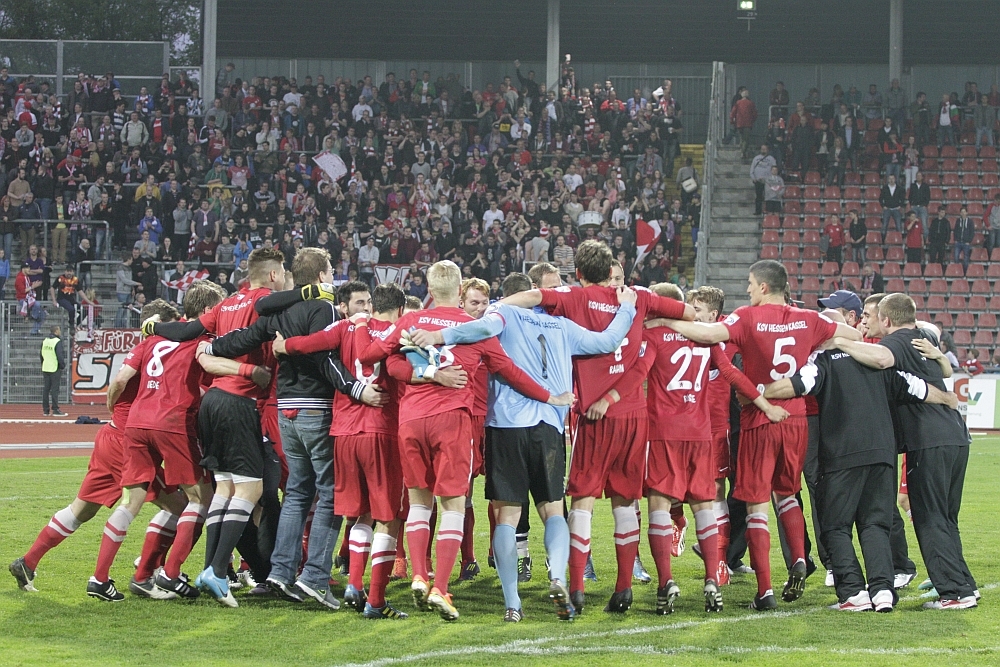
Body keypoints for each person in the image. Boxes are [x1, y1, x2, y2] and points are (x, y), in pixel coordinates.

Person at [407, 272, 636, 622]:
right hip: (549, 426)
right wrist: (627, 309)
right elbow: (607, 341)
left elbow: (478, 330)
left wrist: (438, 335)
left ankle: (513, 603)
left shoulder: (502, 314)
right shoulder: (563, 325)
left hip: (506, 426)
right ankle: (557, 577)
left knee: (507, 517)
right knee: (553, 510)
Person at [354, 260, 572, 621]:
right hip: (452, 422)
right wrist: (551, 396)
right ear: (459, 291)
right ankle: (440, 587)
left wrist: (364, 325)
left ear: (429, 289)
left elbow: (375, 359)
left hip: (411, 421)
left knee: (419, 503)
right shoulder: (474, 328)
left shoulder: (411, 321)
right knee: (454, 505)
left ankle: (420, 575)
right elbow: (511, 372)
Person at [648, 260, 861, 610]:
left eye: (749, 283)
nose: (747, 289)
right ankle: (798, 557)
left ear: (763, 286)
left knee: (756, 504)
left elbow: (709, 335)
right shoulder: (809, 319)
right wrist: (824, 343)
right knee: (787, 493)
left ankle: (764, 591)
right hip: (797, 418)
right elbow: (853, 335)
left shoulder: (747, 317)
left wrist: (665, 321)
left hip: (758, 418)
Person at [498, 241, 695, 615]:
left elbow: (532, 296)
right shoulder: (639, 297)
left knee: (582, 502)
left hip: (593, 415)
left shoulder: (573, 297)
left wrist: (498, 307)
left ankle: (576, 587)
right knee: (626, 502)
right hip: (634, 415)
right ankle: (623, 587)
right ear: (609, 272)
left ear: (579, 273)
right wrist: (656, 322)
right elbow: (688, 311)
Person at [199, 266, 381, 603]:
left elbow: (246, 336)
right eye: (330, 271)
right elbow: (324, 358)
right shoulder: (324, 309)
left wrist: (211, 347)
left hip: (285, 409)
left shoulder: (278, 310)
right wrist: (356, 389)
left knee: (297, 492)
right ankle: (315, 577)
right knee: (329, 494)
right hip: (316, 406)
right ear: (322, 275)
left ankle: (281, 572)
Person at [763, 309, 958, 612]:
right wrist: (946, 398)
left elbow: (799, 384)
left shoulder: (823, 359)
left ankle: (853, 592)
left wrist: (758, 393)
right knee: (875, 525)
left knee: (835, 526)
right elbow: (915, 387)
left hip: (842, 455)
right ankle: (882, 591)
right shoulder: (875, 359)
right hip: (882, 454)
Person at [9, 300, 193, 600]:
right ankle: (134, 573)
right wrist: (112, 401)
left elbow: (121, 381)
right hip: (128, 444)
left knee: (81, 509)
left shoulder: (143, 348)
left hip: (110, 436)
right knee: (177, 506)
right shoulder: (154, 348)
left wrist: (113, 404)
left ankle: (27, 562)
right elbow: (120, 380)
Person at [139, 249, 286, 607]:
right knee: (250, 490)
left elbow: (186, 330)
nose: (283, 279)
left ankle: (210, 568)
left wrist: (152, 327)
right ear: (272, 275)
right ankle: (219, 571)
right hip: (241, 402)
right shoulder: (266, 302)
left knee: (225, 488)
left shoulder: (228, 303)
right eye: (282, 273)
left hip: (212, 403)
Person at [628, 283, 783, 614]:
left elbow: (638, 372)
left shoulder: (653, 335)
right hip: (701, 434)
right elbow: (731, 373)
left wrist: (610, 397)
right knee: (705, 504)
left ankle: (666, 582)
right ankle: (712, 576)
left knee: (658, 504)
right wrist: (764, 404)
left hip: (664, 432)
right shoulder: (706, 338)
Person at [271, 282, 410, 619]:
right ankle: (375, 600)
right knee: (388, 518)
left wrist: (284, 345)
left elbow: (309, 344)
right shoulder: (400, 333)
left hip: (343, 433)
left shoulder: (346, 327)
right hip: (381, 431)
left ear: (372, 305)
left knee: (360, 513)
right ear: (400, 310)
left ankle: (354, 585)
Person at [833, 293, 978, 609]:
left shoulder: (896, 342)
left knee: (929, 517)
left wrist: (838, 342)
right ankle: (965, 584)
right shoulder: (922, 336)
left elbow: (881, 359)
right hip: (954, 436)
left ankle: (955, 593)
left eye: (872, 316)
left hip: (928, 439)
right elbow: (941, 358)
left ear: (886, 320)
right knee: (945, 517)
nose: (868, 321)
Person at [40, 325, 67, 417]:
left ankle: (46, 410)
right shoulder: (57, 341)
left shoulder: (45, 341)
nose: (60, 331)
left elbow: (41, 354)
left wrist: (43, 363)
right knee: (55, 390)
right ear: (56, 331)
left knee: (46, 389)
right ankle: (55, 409)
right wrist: (62, 365)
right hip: (54, 368)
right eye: (59, 330)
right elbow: (59, 355)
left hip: (45, 367)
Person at [15, 262, 46, 335]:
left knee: (42, 314)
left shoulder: (27, 277)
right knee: (37, 304)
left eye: (29, 267)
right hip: (23, 299)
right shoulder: (19, 278)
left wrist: (34, 284)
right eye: (27, 268)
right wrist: (32, 287)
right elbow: (23, 290)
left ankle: (34, 331)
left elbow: (29, 286)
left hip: (29, 298)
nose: (29, 269)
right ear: (23, 269)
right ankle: (33, 316)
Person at [730, 89, 757, 159]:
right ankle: (743, 152)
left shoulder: (738, 103)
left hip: (739, 123)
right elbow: (754, 114)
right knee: (746, 139)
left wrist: (732, 121)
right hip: (748, 124)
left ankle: (741, 149)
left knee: (741, 138)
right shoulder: (751, 103)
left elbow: (733, 112)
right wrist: (752, 121)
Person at [880, 174, 905, 239]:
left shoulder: (899, 188)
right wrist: (883, 206)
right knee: (884, 226)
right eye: (890, 179)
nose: (891, 180)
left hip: (896, 209)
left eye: (892, 178)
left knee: (898, 226)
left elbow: (902, 199)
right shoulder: (885, 188)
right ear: (888, 180)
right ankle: (883, 241)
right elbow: (880, 198)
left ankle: (899, 240)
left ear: (895, 179)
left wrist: (900, 206)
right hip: (887, 209)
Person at [952, 208, 975, 273]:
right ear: (960, 213)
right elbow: (955, 230)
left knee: (966, 258)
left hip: (966, 243)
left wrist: (969, 241)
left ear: (967, 213)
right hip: (958, 242)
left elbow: (972, 232)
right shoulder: (958, 221)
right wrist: (955, 239)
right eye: (961, 212)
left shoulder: (970, 221)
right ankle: (957, 271)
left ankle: (964, 272)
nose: (963, 213)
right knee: (956, 257)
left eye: (964, 212)